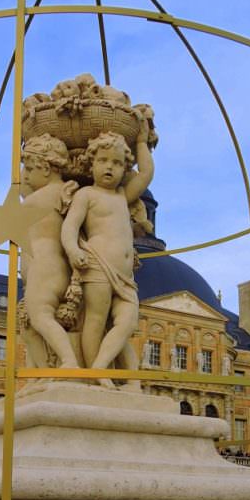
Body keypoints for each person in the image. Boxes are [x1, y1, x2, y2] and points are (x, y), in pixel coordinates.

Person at [60, 116, 154, 377]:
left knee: (127, 323)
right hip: (97, 265)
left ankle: (100, 367)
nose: (109, 167)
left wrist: (142, 142)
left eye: (116, 162)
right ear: (91, 164)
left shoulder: (123, 196)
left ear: (125, 168)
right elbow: (69, 227)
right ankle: (95, 375)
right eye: (102, 161)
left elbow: (146, 173)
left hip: (125, 276)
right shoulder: (86, 195)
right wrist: (73, 250)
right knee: (96, 320)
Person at [19, 134, 80, 370]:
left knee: (40, 316)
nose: (25, 176)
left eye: (29, 169)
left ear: (45, 168)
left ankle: (68, 361)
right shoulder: (63, 193)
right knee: (31, 324)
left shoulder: (38, 199)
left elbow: (22, 189)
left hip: (45, 267)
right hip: (53, 268)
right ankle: (43, 373)